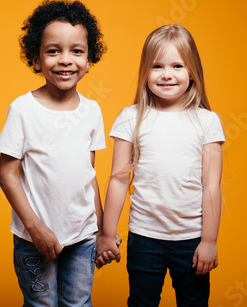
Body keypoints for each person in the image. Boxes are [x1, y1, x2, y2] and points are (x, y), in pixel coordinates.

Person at [95, 24, 225, 307]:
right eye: (157, 66)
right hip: (144, 238)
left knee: (194, 302)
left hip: (192, 239)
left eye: (177, 65)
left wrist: (209, 240)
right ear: (145, 72)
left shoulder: (207, 121)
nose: (167, 74)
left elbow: (211, 186)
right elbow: (118, 179)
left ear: (192, 71)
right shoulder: (131, 118)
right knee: (142, 302)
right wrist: (106, 233)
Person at [0, 0, 108, 306]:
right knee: (41, 305)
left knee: (78, 304)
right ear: (36, 59)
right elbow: (8, 177)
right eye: (53, 50)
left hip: (83, 237)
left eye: (77, 51)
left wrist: (101, 232)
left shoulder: (92, 111)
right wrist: (35, 228)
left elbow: (90, 175)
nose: (65, 60)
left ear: (88, 59)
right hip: (35, 239)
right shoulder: (22, 109)